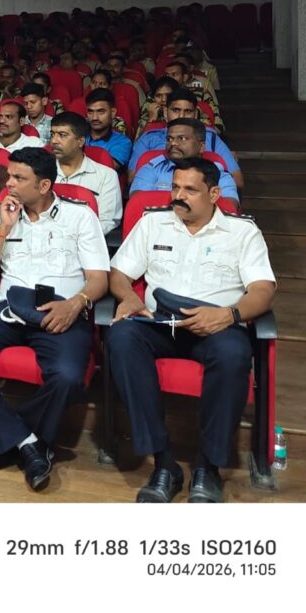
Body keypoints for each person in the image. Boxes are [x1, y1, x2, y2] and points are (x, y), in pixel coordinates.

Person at [0, 147, 110, 491]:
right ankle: (29, 443)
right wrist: (3, 229)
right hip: (9, 311)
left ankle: (10, 438)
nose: (10, 183)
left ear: (44, 185)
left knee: (68, 377)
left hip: (59, 311)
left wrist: (75, 304)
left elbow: (98, 279)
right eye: (9, 176)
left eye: (19, 178)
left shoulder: (80, 216)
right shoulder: (0, 213)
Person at [108, 158, 276, 503]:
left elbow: (262, 290)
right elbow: (119, 274)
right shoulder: (153, 223)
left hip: (217, 326)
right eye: (175, 187)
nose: (178, 196)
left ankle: (208, 467)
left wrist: (228, 315)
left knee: (233, 354)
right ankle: (163, 462)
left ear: (214, 194)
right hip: (161, 323)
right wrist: (128, 297)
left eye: (189, 189)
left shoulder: (243, 233)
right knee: (121, 336)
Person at [129, 88, 242, 189]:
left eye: (188, 111)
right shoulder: (148, 138)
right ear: (165, 112)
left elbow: (237, 180)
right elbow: (132, 179)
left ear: (196, 114)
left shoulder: (211, 138)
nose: (181, 116)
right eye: (176, 110)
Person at [130, 119, 239, 203]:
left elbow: (229, 206)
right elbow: (137, 203)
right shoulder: (150, 169)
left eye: (182, 138)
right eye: (169, 139)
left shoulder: (219, 174)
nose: (173, 143)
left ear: (201, 146)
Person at [48, 112, 122, 235]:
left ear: (80, 141)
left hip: (86, 240)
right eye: (52, 134)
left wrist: (73, 237)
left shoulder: (106, 176)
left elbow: (107, 222)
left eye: (62, 135)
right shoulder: (40, 172)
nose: (54, 141)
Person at [85, 89, 133, 169]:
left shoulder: (123, 142)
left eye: (101, 112)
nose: (94, 118)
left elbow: (106, 170)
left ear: (113, 112)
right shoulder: (77, 134)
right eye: (90, 112)